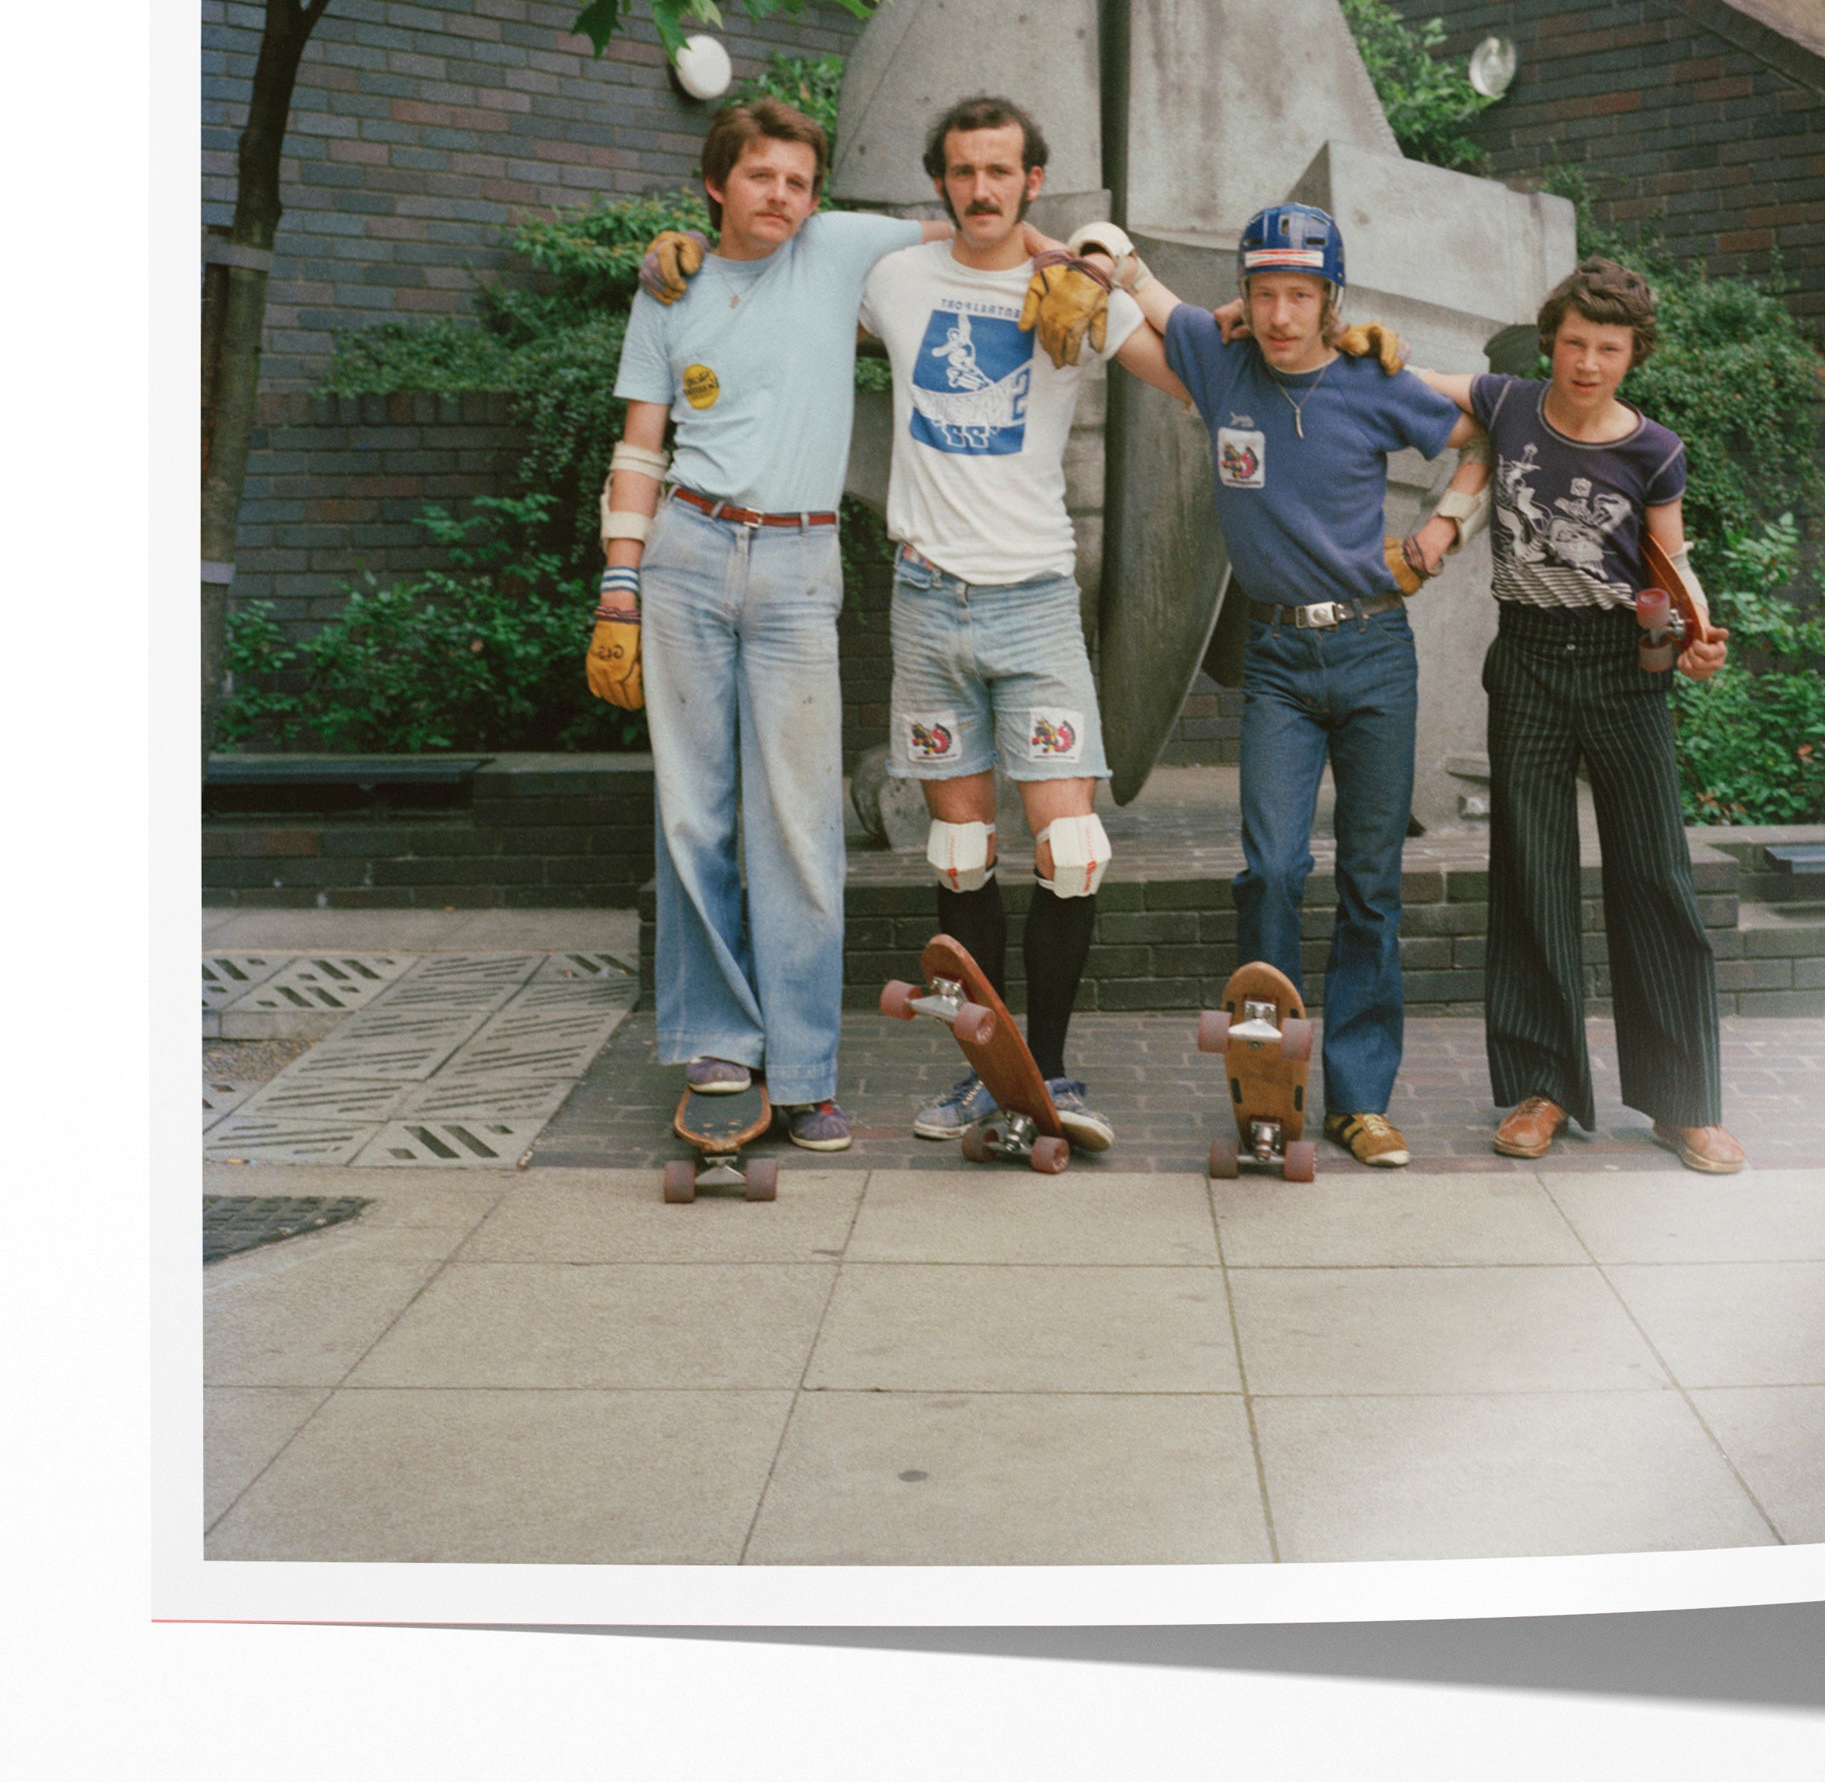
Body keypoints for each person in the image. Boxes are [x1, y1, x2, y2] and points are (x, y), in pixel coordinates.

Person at [584, 96, 947, 1147]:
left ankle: (803, 1069)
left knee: (798, 822)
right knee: (695, 811)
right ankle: (720, 1046)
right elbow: (642, 443)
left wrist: (1097, 253)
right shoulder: (671, 287)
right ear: (716, 183)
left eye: (797, 179)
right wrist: (619, 584)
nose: (781, 195)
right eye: (760, 177)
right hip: (686, 558)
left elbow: (981, 231)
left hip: (797, 564)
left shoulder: (835, 250)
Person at [1109, 204, 1488, 1168]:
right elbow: (1134, 281)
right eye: (1265, 293)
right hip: (1276, 660)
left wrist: (1442, 531)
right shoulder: (1218, 357)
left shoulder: (1373, 378)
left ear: (1332, 300)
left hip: (1372, 652)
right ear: (1243, 296)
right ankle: (1267, 1083)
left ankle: (1359, 1102)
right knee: (1271, 869)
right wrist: (1106, 251)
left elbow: (1488, 430)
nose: (1281, 315)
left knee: (1370, 883)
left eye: (1302, 295)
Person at [857, 95, 1188, 1153]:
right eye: (962, 171)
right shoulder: (897, 279)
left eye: (1001, 171)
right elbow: (776, 268)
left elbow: (1190, 373)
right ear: (941, 180)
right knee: (958, 852)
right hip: (927, 602)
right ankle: (983, 1076)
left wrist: (1113, 269)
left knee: (1074, 849)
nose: (982, 189)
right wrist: (677, 259)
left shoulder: (1070, 293)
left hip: (1035, 601)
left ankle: (1048, 1069)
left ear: (1032, 178)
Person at [1411, 255, 1742, 1171]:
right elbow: (1408, 377)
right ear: (1549, 341)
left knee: (1656, 875)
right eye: (1572, 344)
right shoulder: (1510, 405)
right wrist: (1353, 340)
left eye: (1608, 348)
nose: (1587, 364)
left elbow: (1671, 568)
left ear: (1634, 354)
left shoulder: (1655, 450)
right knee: (1532, 876)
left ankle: (1684, 1103)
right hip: (1526, 661)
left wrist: (1699, 634)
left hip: (1624, 666)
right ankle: (1542, 1089)